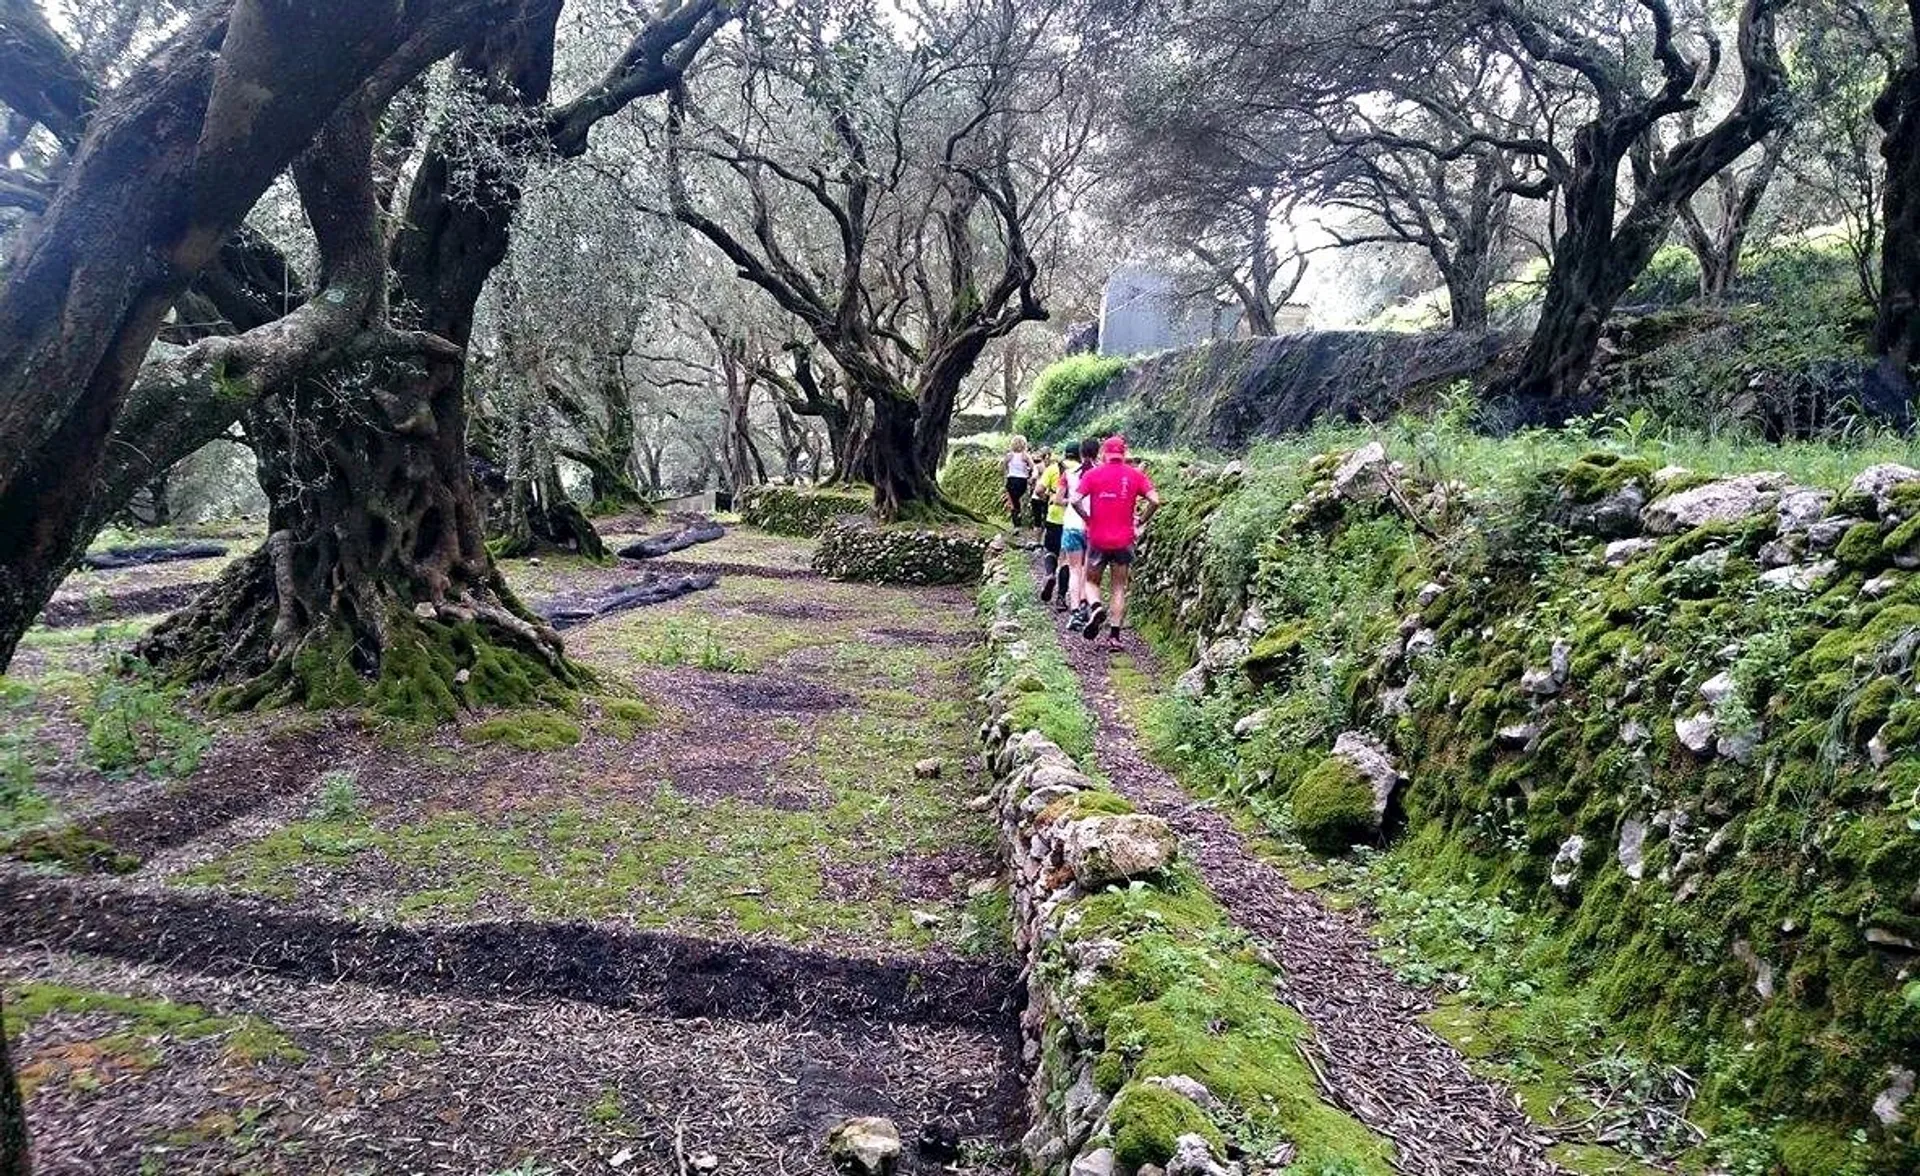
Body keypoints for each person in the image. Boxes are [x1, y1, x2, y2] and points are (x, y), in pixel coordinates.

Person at [1071, 435, 1159, 650]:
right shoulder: (1135, 475)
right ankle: (1114, 636)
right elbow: (1155, 500)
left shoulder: (1093, 474)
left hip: (1098, 536)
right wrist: (1140, 521)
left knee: (1092, 582)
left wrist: (1087, 518)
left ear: (1104, 453)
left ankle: (1096, 607)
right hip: (1124, 539)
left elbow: (1074, 500)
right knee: (1119, 586)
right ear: (1124, 453)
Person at [1058, 438, 1096, 619]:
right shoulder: (1100, 473)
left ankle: (1074, 609)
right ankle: (1084, 603)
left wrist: (1071, 500)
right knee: (1087, 569)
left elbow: (1059, 500)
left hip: (1071, 524)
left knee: (1074, 569)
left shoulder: (1068, 473)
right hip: (1093, 526)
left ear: (1081, 453)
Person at [1036, 447, 1068, 604]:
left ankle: (1049, 574)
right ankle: (1061, 597)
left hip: (1054, 516)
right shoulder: (1085, 469)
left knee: (1050, 550)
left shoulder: (1053, 469)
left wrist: (1047, 497)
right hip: (1075, 520)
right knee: (1066, 559)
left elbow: (1038, 489)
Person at [1004, 436, 1032, 530]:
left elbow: (1003, 467)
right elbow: (1032, 466)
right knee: (1019, 501)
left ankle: (1016, 525)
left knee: (1013, 502)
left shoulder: (1009, 455)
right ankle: (1020, 520)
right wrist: (1028, 472)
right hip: (1022, 480)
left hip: (1011, 479)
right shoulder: (1025, 456)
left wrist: (1008, 472)